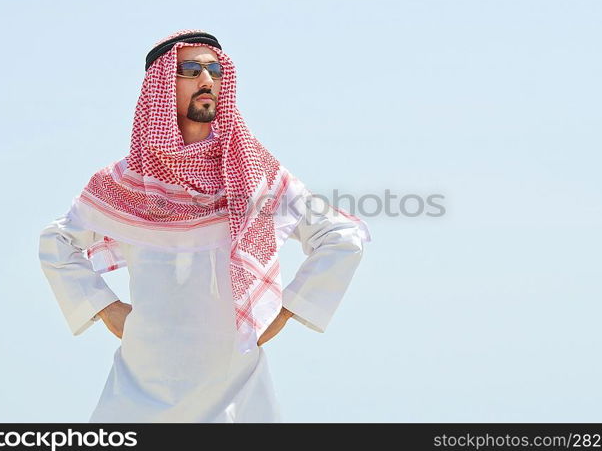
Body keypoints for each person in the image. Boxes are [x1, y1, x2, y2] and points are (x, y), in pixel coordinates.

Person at [38, 29, 371, 423]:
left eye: (214, 69)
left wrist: (284, 312)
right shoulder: (123, 184)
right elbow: (57, 242)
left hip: (237, 400)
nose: (207, 80)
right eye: (191, 69)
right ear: (159, 87)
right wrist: (105, 308)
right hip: (136, 397)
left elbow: (342, 235)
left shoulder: (252, 174)